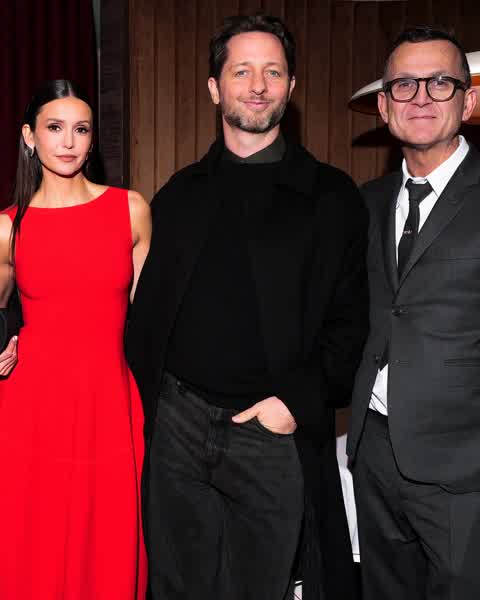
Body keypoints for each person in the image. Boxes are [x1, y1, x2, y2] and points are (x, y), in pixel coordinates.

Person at [127, 14, 368, 600]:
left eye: (272, 72)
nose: (257, 85)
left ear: (291, 86)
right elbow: (139, 311)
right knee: (175, 588)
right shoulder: (179, 194)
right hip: (178, 429)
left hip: (271, 436)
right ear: (215, 88)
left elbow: (352, 325)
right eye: (241, 71)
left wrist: (293, 405)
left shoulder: (331, 197)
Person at [0, 79, 151, 599]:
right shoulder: (8, 228)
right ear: (29, 136)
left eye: (81, 129)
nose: (68, 141)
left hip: (109, 405)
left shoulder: (130, 209)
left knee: (107, 544)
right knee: (32, 547)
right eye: (55, 127)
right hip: (29, 411)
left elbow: (152, 321)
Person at [347, 26, 480, 600]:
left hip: (465, 467)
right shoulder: (366, 203)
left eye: (440, 83)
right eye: (404, 84)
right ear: (384, 106)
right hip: (374, 451)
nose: (421, 97)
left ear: (468, 102)